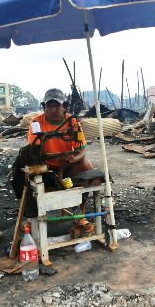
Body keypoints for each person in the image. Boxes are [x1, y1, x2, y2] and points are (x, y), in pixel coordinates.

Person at [27, 88, 96, 234]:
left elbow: (82, 150)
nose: (53, 109)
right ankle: (33, 215)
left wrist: (74, 158)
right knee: (28, 175)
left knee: (86, 166)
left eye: (56, 106)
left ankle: (79, 213)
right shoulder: (36, 123)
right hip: (46, 169)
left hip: (68, 166)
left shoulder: (73, 122)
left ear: (64, 106)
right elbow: (33, 152)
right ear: (43, 107)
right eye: (49, 106)